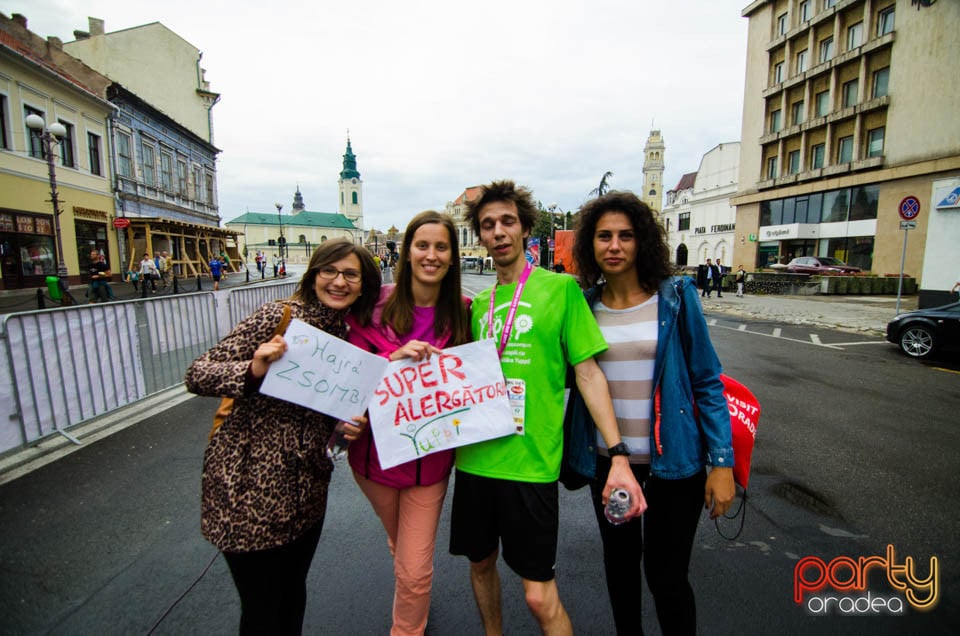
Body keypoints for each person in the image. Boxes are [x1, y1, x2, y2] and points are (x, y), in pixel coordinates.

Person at [450, 180, 644, 635]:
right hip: (476, 462)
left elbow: (589, 373)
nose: (498, 232)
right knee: (480, 566)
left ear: (525, 228)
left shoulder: (560, 291)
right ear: (480, 235)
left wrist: (617, 454)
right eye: (488, 225)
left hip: (531, 464)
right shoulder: (478, 305)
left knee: (538, 594)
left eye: (507, 222)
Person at [184, 239, 381, 635]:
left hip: (306, 494)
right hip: (247, 492)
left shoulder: (349, 340)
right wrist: (253, 370)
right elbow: (198, 374)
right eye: (329, 271)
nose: (338, 281)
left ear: (364, 285)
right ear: (314, 275)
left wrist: (343, 432)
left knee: (292, 595)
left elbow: (331, 430)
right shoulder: (277, 317)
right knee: (261, 608)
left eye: (350, 274)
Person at [567, 191, 735, 635]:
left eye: (625, 235)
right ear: (590, 244)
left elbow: (707, 382)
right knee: (620, 573)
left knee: (667, 577)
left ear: (642, 241)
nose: (614, 245)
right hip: (608, 463)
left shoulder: (675, 298)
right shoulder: (582, 306)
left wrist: (722, 463)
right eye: (604, 236)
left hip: (673, 466)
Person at [346, 211, 471, 635]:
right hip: (374, 462)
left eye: (441, 247)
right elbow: (349, 375)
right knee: (403, 546)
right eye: (423, 245)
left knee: (415, 568)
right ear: (407, 252)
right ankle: (406, 569)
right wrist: (390, 360)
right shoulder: (371, 305)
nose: (431, 255)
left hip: (429, 465)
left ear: (452, 256)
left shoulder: (465, 312)